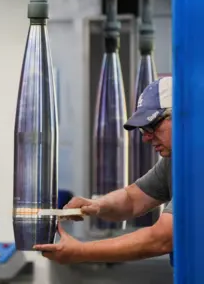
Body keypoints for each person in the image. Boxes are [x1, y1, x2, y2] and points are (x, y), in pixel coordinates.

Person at [34, 76, 174, 264]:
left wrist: (80, 252)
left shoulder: (198, 164)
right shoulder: (174, 162)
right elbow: (133, 199)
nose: (146, 138)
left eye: (152, 126)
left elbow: (161, 238)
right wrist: (97, 205)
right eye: (143, 130)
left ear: (182, 115)